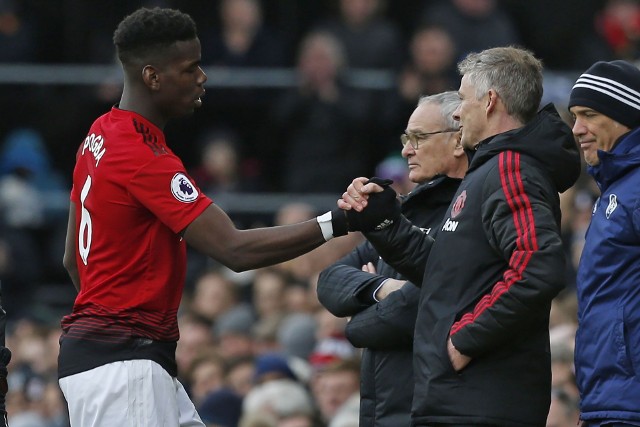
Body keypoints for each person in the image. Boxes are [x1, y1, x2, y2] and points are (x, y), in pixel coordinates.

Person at [59, 7, 350, 427]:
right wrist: (337, 222)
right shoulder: (142, 156)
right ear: (152, 77)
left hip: (113, 357)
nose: (202, 77)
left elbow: (73, 260)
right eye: (190, 68)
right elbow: (234, 249)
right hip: (124, 366)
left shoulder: (99, 134)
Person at [337, 46, 581, 426]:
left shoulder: (511, 168)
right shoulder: (488, 170)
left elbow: (539, 266)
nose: (456, 111)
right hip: (459, 398)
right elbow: (446, 272)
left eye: (463, 99)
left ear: (490, 102)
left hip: (483, 401)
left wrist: (468, 336)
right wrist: (384, 222)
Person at [316, 91, 467, 426]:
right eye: (405, 138)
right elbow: (329, 280)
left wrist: (356, 323)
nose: (406, 150)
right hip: (382, 412)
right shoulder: (405, 212)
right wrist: (381, 288)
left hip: (432, 411)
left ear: (458, 141)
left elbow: (422, 309)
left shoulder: (472, 213)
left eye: (418, 138)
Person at [568, 60, 640, 426]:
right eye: (575, 116)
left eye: (589, 115)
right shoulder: (616, 189)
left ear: (626, 116)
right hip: (609, 400)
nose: (577, 129)